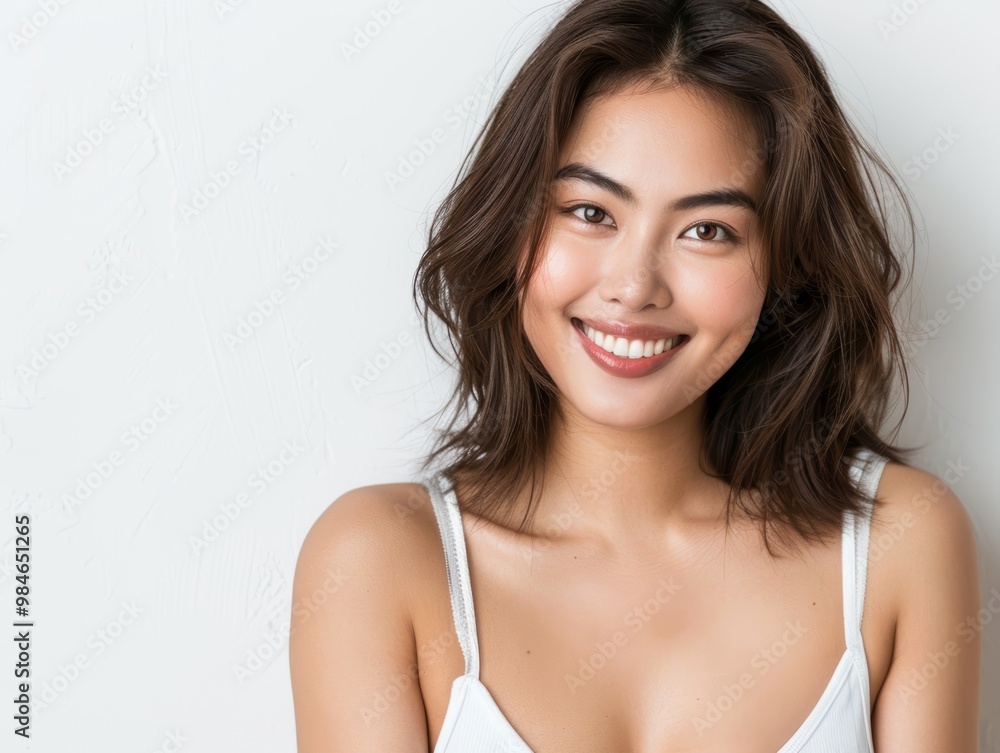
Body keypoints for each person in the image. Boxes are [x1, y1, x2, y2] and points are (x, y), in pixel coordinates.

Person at [289, 1, 981, 751]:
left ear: (784, 266)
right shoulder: (379, 561)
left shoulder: (898, 542)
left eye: (707, 230)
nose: (634, 285)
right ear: (513, 224)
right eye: (590, 211)